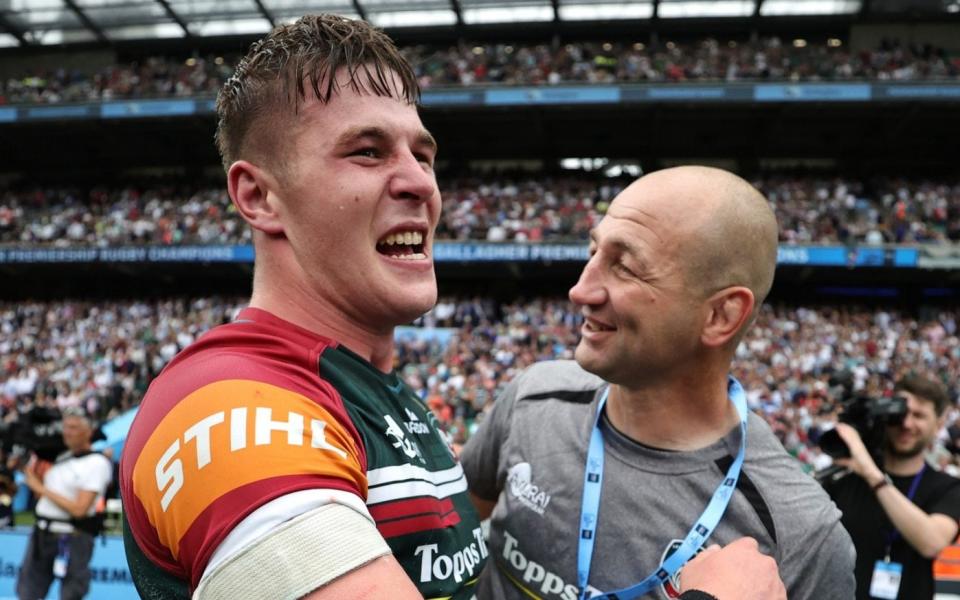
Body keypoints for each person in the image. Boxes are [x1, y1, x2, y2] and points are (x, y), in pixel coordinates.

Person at [118, 16, 788, 600]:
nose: (419, 182)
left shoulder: (367, 388)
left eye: (423, 153)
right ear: (260, 198)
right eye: (367, 152)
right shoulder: (231, 410)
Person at [461, 165, 856, 599]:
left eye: (625, 267)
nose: (580, 290)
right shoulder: (534, 396)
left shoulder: (798, 532)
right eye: (593, 253)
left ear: (720, 315)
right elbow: (446, 547)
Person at [826, 374, 960, 600]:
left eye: (919, 415)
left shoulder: (948, 488)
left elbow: (932, 542)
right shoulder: (844, 482)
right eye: (900, 413)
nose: (906, 424)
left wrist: (872, 474)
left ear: (937, 425)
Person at [16, 408, 112, 600]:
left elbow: (80, 509)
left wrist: (41, 488)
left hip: (73, 535)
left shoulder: (96, 463)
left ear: (89, 432)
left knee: (71, 594)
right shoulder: (59, 458)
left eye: (74, 427)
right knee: (28, 592)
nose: (67, 432)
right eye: (66, 427)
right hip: (42, 531)